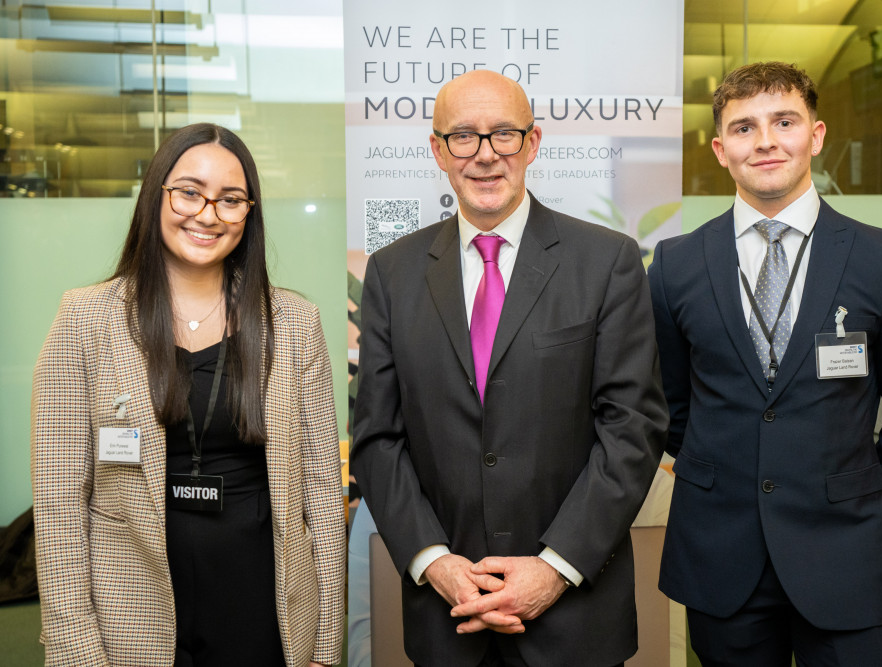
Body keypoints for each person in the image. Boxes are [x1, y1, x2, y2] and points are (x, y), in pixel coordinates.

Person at [351, 69, 668, 667]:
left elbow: (632, 430)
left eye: (504, 134)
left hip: (573, 616)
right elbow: (377, 436)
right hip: (449, 616)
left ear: (534, 143)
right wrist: (434, 562)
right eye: (464, 137)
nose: (486, 155)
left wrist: (555, 568)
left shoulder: (607, 262)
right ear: (438, 151)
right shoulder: (392, 274)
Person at [648, 61, 882, 665]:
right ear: (720, 149)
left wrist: (857, 493)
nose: (765, 141)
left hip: (845, 553)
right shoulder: (675, 264)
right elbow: (668, 406)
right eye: (743, 128)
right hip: (721, 555)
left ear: (815, 136)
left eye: (783, 121)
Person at [31, 123, 345, 666]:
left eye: (230, 200)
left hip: (264, 607)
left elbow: (320, 489)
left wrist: (322, 641)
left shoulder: (294, 323)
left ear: (249, 214)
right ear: (157, 195)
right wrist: (73, 648)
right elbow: (60, 506)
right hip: (128, 612)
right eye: (189, 192)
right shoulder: (86, 318)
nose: (207, 214)